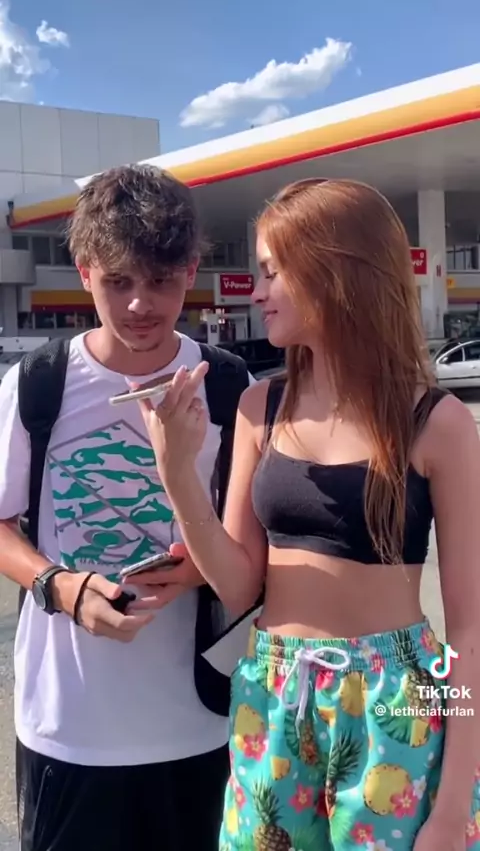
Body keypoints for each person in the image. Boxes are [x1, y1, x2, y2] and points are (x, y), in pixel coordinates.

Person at [134, 178, 480, 850]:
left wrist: (451, 806)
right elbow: (239, 585)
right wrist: (176, 475)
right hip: (272, 688)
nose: (257, 291)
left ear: (334, 271)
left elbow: (470, 627)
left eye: (272, 271)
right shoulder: (260, 407)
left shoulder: (435, 422)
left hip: (395, 699)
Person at [0, 164, 251, 851]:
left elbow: (253, 544)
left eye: (162, 280)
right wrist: (58, 585)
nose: (141, 303)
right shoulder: (39, 384)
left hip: (200, 721)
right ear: (85, 273)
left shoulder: (228, 386)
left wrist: (202, 567)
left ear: (191, 272)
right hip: (68, 725)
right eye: (118, 281)